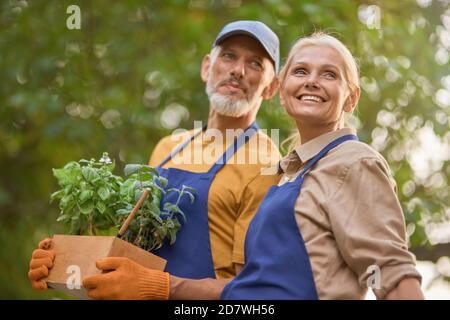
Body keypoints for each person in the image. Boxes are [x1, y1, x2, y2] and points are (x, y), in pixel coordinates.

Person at [28, 20, 281, 299]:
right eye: (229, 56)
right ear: (207, 67)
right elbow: (131, 251)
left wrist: (160, 287)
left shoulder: (266, 164)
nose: (238, 70)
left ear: (272, 87)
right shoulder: (168, 146)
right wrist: (62, 261)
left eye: (255, 63)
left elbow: (255, 290)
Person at [221, 32, 424, 300]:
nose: (312, 82)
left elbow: (387, 272)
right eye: (301, 71)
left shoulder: (353, 161)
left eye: (329, 74)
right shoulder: (288, 174)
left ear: (351, 98)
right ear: (282, 92)